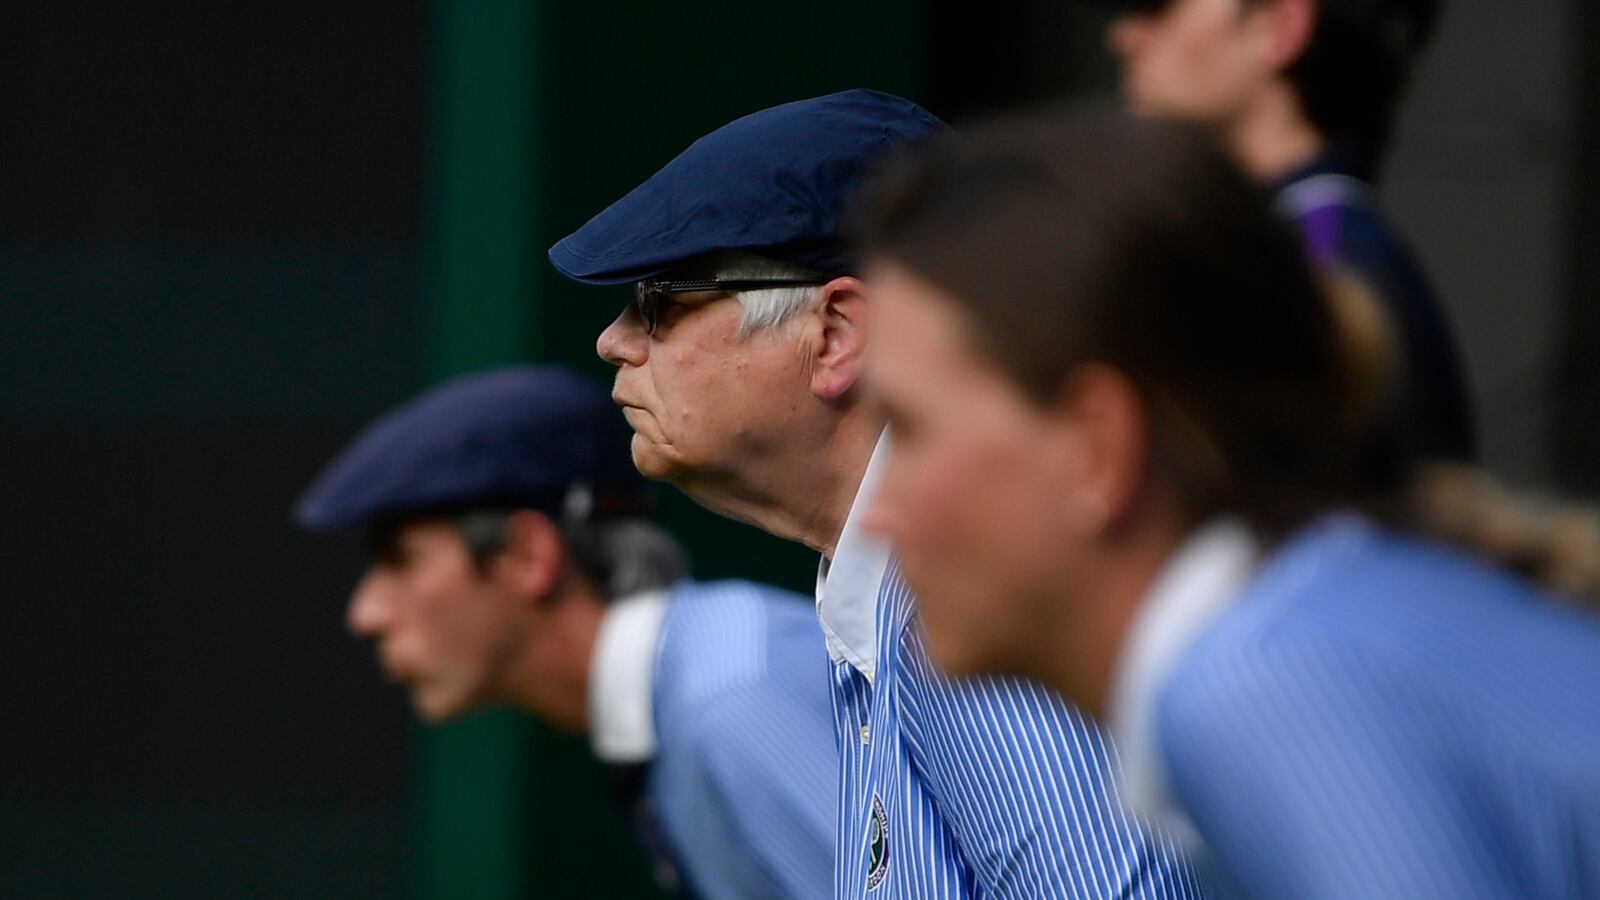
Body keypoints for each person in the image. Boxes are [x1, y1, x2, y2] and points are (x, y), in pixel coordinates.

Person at [854, 106, 1600, 899]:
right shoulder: (1284, 645)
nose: (877, 513)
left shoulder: (1265, 687)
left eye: (908, 430)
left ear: (1096, 449)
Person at [550, 89, 1201, 899]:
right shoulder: (898, 593)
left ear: (834, 337)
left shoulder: (967, 594)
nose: (614, 339)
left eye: (660, 300)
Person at [295, 366, 837, 900]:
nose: (365, 614)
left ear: (525, 555)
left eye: (401, 561)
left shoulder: (728, 704)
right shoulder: (687, 697)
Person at [1098, 0, 1475, 462]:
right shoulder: (1283, 243)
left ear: (1278, 26)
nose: (1122, 36)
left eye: (1161, 8)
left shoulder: (1318, 263)